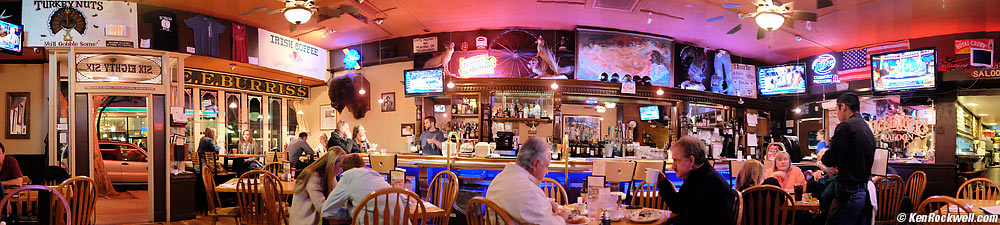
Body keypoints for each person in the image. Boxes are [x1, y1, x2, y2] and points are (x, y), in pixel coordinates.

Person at [486, 137, 568, 224]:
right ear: (535, 164)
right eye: (546, 166)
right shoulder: (530, 191)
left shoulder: (500, 178)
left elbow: (518, 203)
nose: (547, 172)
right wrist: (561, 218)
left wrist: (545, 204)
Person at [823, 93, 876, 225]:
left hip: (848, 192)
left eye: (836, 109)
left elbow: (831, 158)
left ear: (843, 106)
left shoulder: (845, 126)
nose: (837, 113)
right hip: (863, 192)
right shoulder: (866, 127)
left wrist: (825, 155)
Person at [657, 136, 734, 225]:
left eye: (676, 160)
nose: (672, 166)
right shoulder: (695, 177)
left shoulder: (712, 184)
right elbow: (678, 207)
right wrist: (663, 183)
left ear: (691, 160)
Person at [321, 153, 392, 221]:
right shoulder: (375, 174)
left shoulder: (348, 176)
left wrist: (349, 212)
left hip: (373, 221)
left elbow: (326, 211)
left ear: (344, 170)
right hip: (396, 219)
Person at [290, 147, 347, 225]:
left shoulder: (330, 175)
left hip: (318, 219)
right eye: (341, 166)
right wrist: (349, 214)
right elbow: (322, 208)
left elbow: (336, 198)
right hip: (305, 222)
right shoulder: (313, 176)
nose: (342, 170)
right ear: (333, 163)